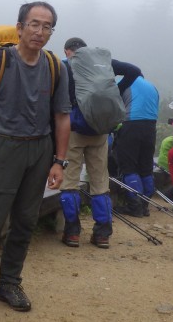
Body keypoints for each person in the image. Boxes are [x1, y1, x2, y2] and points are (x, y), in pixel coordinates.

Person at [0, 1, 71, 313]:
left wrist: (59, 161)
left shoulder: (55, 68)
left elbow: (62, 117)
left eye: (47, 26)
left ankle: (9, 282)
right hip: (2, 146)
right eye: (34, 24)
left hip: (40, 149)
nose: (40, 31)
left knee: (25, 221)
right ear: (20, 27)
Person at [58, 38, 141, 249]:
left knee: (70, 182)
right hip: (101, 130)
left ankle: (73, 233)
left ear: (68, 51)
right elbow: (134, 70)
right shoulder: (102, 63)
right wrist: (117, 91)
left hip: (74, 130)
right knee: (100, 182)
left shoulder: (66, 65)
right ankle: (102, 234)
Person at [112, 75, 160, 217]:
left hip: (132, 124)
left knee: (128, 167)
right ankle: (144, 205)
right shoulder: (153, 87)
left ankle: (134, 206)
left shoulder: (124, 82)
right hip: (151, 127)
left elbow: (115, 106)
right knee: (146, 167)